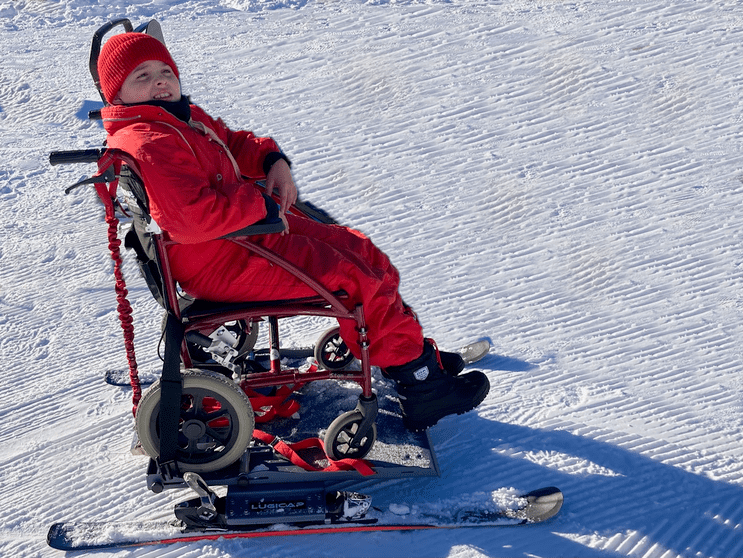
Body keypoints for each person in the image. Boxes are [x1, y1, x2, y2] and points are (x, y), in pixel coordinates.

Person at [96, 31, 489, 432]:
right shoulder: (148, 141)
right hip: (222, 258)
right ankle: (421, 386)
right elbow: (194, 219)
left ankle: (409, 357)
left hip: (243, 238)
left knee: (360, 250)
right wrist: (260, 204)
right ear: (116, 93)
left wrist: (271, 161)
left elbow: (232, 142)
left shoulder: (177, 118)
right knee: (355, 275)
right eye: (141, 76)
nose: (160, 81)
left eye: (165, 70)